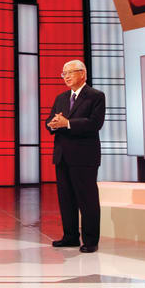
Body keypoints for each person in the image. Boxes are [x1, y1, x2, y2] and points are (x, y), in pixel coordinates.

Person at [47, 60, 105, 253]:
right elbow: (50, 120)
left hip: (84, 156)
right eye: (64, 73)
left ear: (83, 74)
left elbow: (95, 123)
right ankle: (70, 236)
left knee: (87, 199)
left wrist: (68, 123)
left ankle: (90, 240)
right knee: (66, 199)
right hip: (62, 155)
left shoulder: (95, 96)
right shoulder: (61, 97)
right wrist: (53, 124)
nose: (66, 76)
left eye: (70, 72)